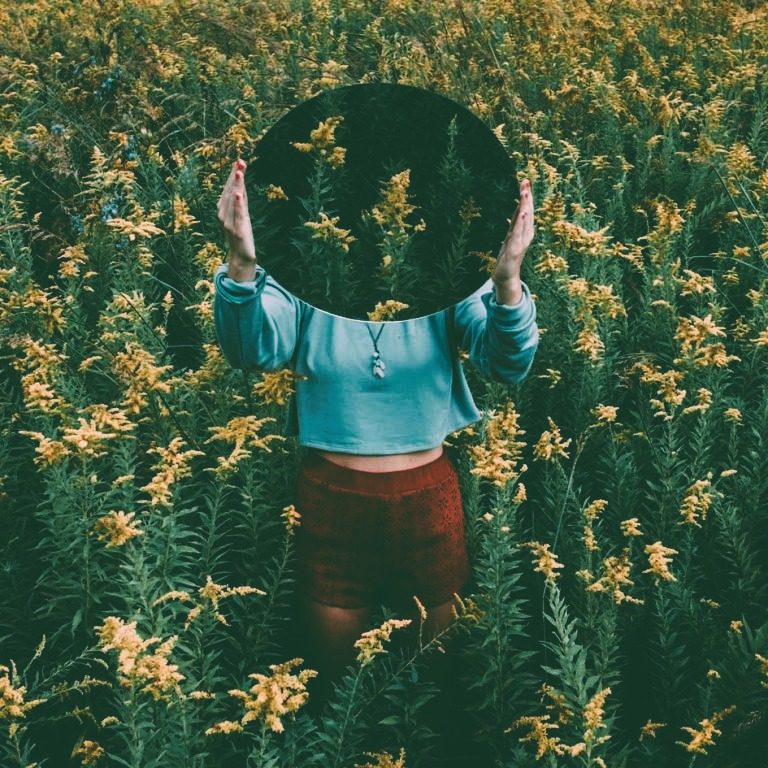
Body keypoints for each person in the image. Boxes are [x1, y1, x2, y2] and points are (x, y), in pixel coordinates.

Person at [214, 158, 538, 704]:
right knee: (338, 695)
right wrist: (241, 266)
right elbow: (251, 350)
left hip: (428, 499)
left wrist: (507, 285)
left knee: (436, 687)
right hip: (331, 503)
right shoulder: (305, 276)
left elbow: (508, 363)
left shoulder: (446, 278)